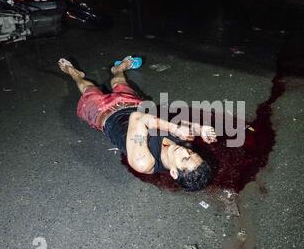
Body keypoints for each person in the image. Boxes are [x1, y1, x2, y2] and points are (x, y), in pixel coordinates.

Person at [58, 57, 216, 191]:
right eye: (192, 154)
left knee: (87, 87)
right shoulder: (183, 146)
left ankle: (74, 73)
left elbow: (137, 119)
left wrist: (175, 129)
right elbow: (178, 124)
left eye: (184, 159)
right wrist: (200, 129)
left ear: (174, 173)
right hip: (134, 105)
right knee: (118, 80)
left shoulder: (144, 162)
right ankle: (118, 69)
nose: (184, 151)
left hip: (105, 113)